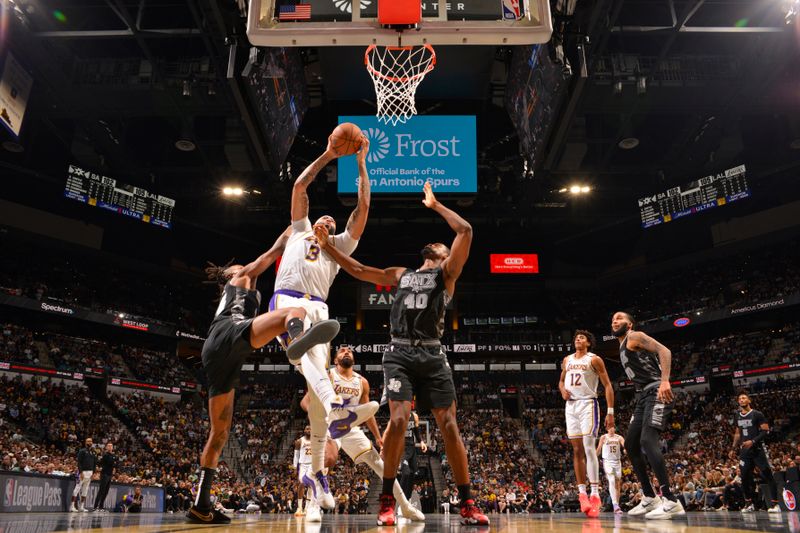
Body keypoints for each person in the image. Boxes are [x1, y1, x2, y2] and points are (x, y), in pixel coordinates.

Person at [314, 182, 489, 526]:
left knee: (449, 426)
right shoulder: (402, 274)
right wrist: (328, 249)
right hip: (399, 354)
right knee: (395, 421)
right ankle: (386, 501)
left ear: (444, 255)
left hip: (433, 353)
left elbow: (465, 229)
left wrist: (436, 204)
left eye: (441, 245)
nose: (438, 245)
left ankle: (467, 502)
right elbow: (361, 271)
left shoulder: (446, 274)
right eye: (437, 245)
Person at [186, 230, 341, 524]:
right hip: (229, 332)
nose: (243, 267)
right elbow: (268, 256)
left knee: (219, 433)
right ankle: (298, 341)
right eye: (237, 267)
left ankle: (201, 505)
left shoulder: (245, 291)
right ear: (229, 276)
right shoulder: (238, 278)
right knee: (293, 312)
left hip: (219, 352)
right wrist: (293, 231)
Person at [269, 133, 377, 510]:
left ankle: (317, 474)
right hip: (288, 303)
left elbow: (362, 210)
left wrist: (361, 163)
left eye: (333, 220)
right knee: (316, 370)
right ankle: (338, 408)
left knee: (316, 394)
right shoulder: (299, 230)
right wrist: (329, 153)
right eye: (323, 216)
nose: (327, 219)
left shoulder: (337, 248)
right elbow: (300, 185)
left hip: (319, 309)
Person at [299, 347, 421, 523]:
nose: (346, 352)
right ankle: (313, 506)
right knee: (328, 459)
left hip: (351, 428)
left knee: (380, 465)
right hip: (329, 425)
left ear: (354, 360)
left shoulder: (361, 382)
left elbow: (367, 414)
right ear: (335, 360)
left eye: (349, 351)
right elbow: (305, 402)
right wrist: (319, 418)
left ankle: (405, 506)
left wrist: (378, 437)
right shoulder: (328, 376)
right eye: (342, 351)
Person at [611, 311, 685, 519]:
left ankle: (670, 499)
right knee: (631, 444)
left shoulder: (635, 336)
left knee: (647, 439)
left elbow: (665, 351)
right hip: (644, 396)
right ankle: (650, 497)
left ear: (630, 324)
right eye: (613, 320)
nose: (615, 321)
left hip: (656, 391)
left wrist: (665, 381)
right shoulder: (622, 344)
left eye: (619, 318)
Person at [558, 329, 614, 518]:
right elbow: (561, 381)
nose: (578, 339)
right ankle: (582, 493)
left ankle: (595, 494)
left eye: (582, 338)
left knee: (589, 447)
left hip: (588, 404)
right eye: (576, 337)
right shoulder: (567, 360)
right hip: (570, 406)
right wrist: (562, 391)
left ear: (588, 343)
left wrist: (610, 411)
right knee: (576, 450)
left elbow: (607, 385)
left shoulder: (594, 359)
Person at [730, 392, 781, 513]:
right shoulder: (737, 415)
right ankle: (749, 503)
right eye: (739, 398)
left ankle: (775, 504)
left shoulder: (757, 414)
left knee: (768, 475)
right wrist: (733, 448)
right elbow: (737, 433)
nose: (741, 400)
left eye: (743, 398)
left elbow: (765, 431)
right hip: (745, 451)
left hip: (757, 449)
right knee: (744, 477)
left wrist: (753, 441)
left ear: (749, 400)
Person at [597, 427, 625, 513]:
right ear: (607, 428)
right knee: (612, 481)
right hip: (608, 461)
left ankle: (617, 505)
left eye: (613, 427)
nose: (612, 429)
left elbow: (624, 445)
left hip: (617, 462)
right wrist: (594, 456)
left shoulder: (619, 437)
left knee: (617, 484)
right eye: (610, 427)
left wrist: (625, 449)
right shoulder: (603, 437)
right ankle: (615, 505)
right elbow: (598, 450)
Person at [70, 437, 96, 512]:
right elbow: (79, 462)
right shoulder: (82, 451)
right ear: (85, 442)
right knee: (77, 489)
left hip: (90, 473)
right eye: (88, 441)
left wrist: (93, 473)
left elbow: (94, 463)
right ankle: (72, 506)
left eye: (90, 441)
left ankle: (81, 506)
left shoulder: (93, 452)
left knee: (85, 490)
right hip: (83, 472)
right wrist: (81, 472)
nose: (89, 442)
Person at [92, 442, 116, 512]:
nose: (110, 447)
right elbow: (101, 463)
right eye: (108, 446)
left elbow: (115, 464)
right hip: (104, 474)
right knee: (101, 490)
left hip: (109, 475)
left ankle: (101, 507)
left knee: (106, 491)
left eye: (111, 446)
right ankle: (95, 507)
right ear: (106, 447)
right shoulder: (105, 455)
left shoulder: (113, 455)